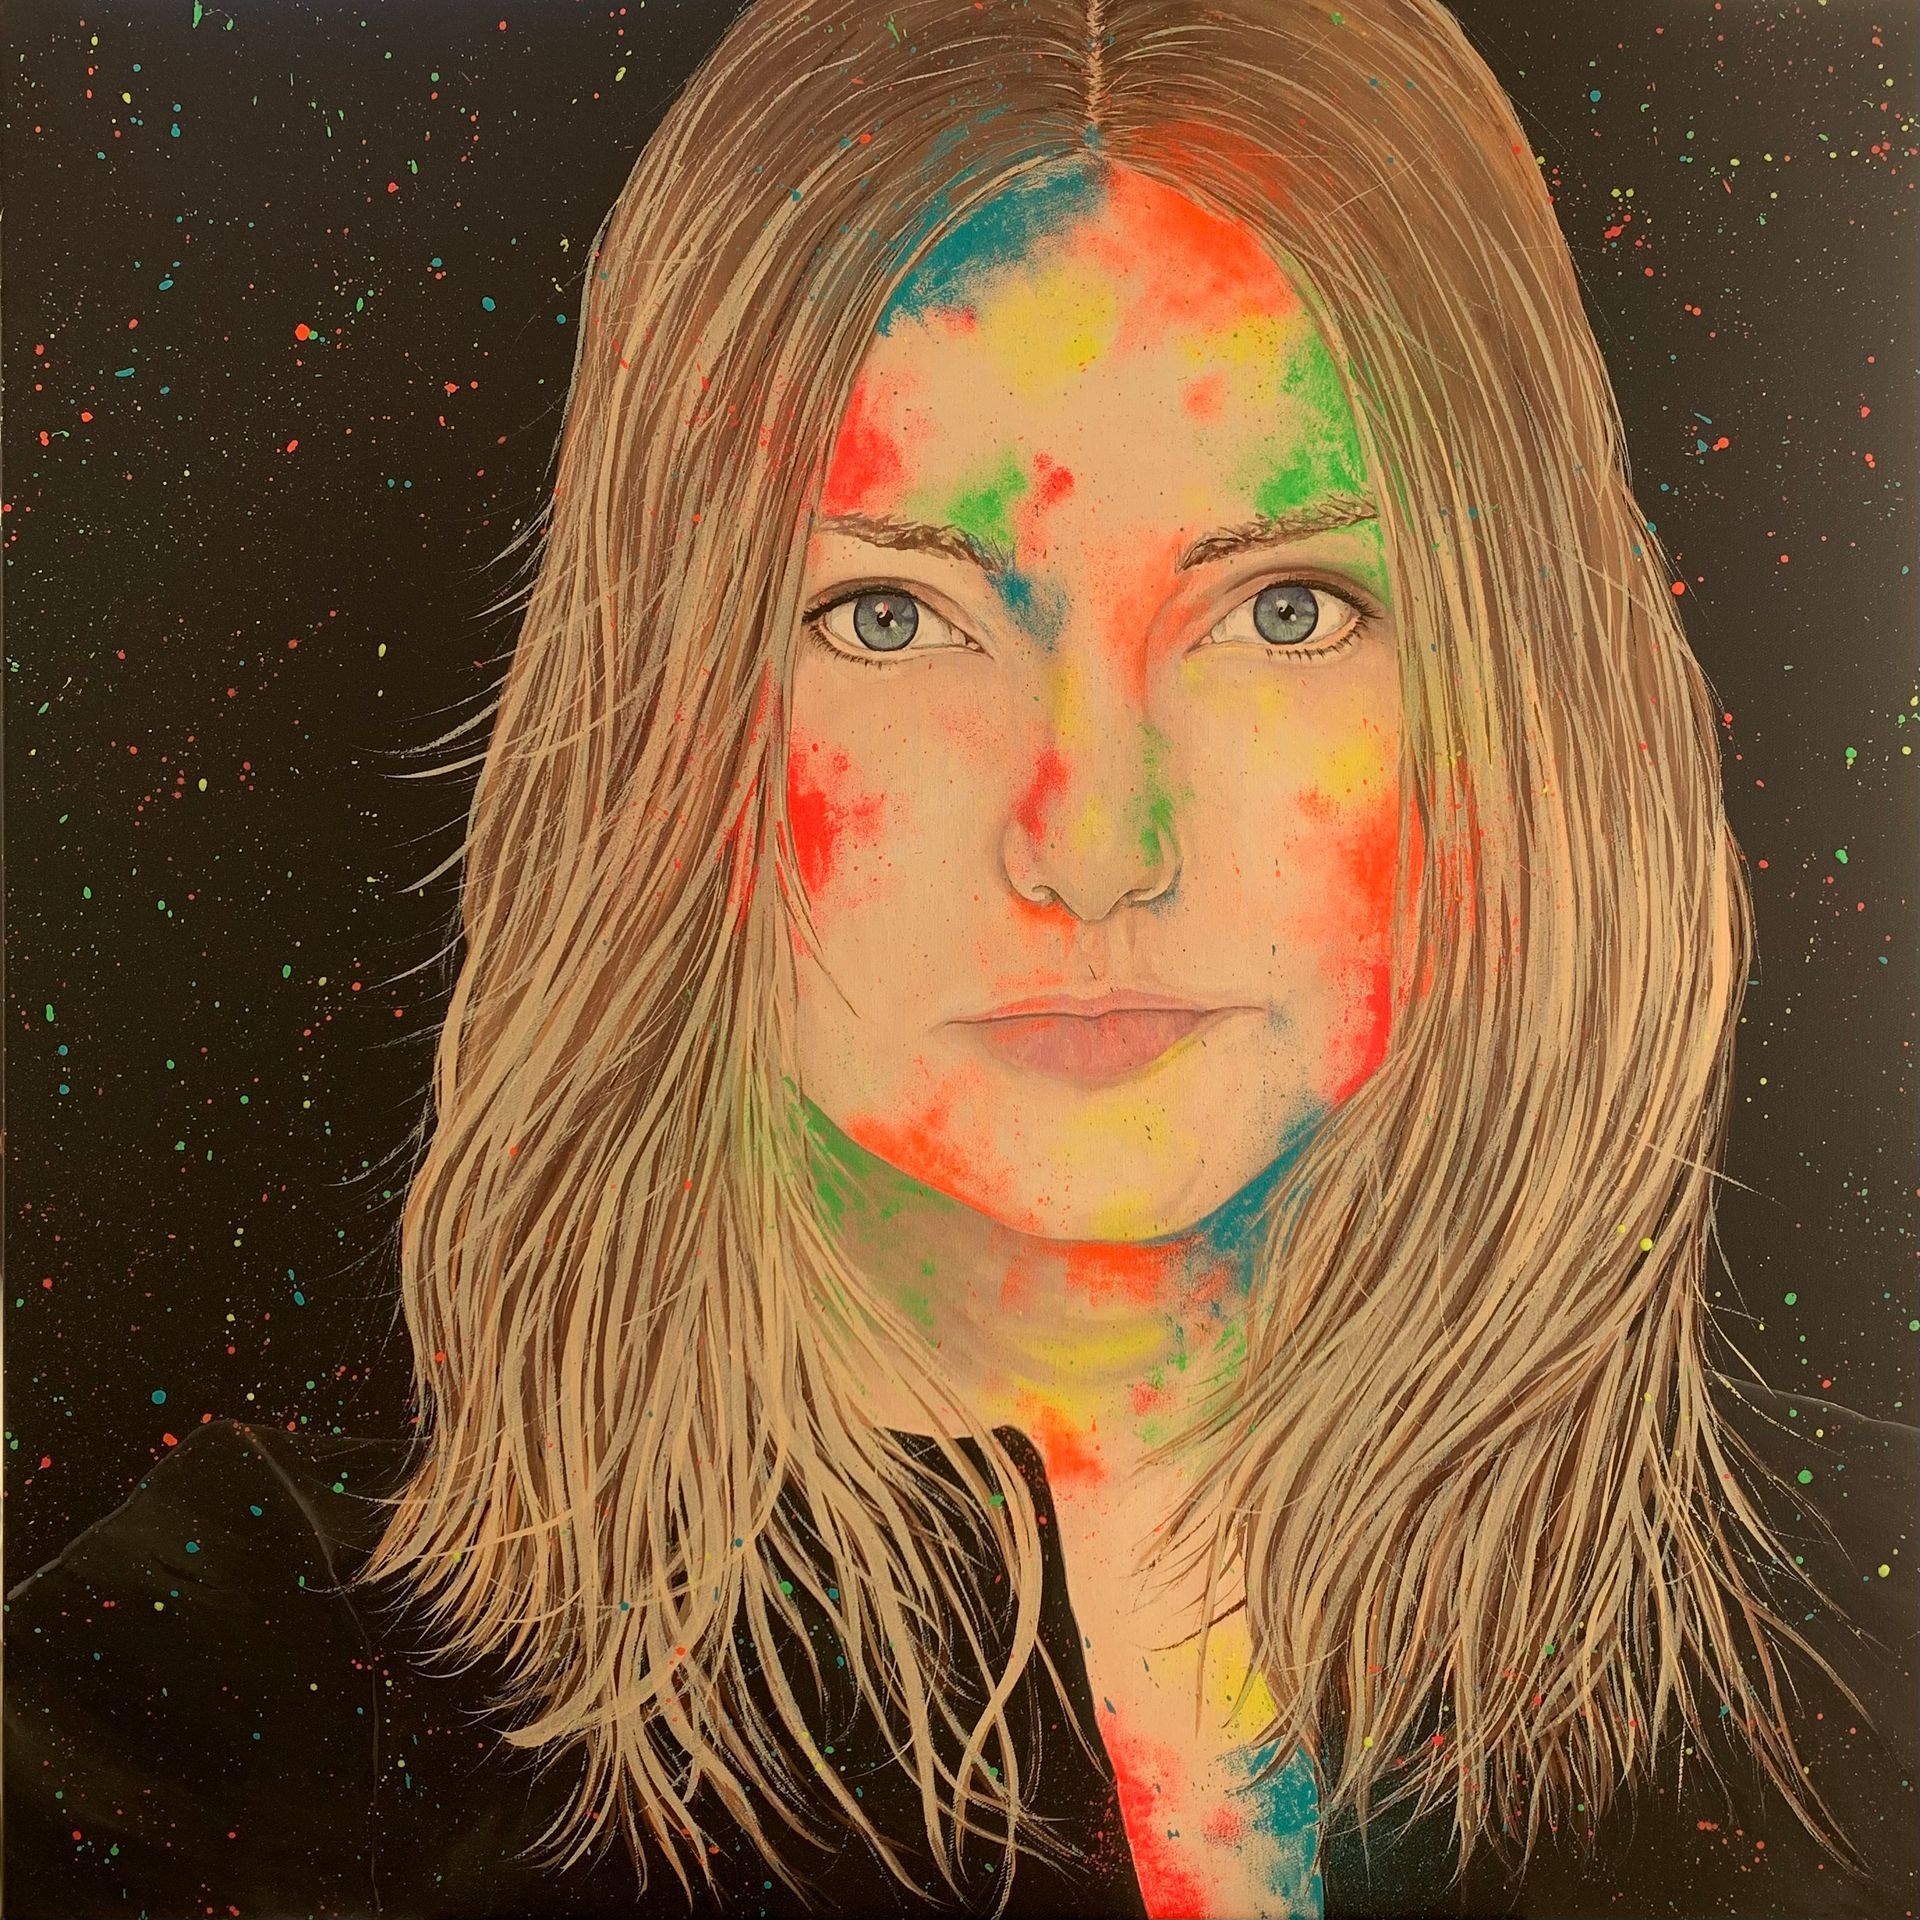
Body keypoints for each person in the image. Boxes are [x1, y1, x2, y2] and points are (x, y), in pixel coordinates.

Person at [7, 1, 1914, 1915]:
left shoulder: (1869, 1626)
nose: (1093, 841)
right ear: (663, 715)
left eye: (1285, 608)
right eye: (892, 616)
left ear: (1530, 694)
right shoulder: (253, 1680)